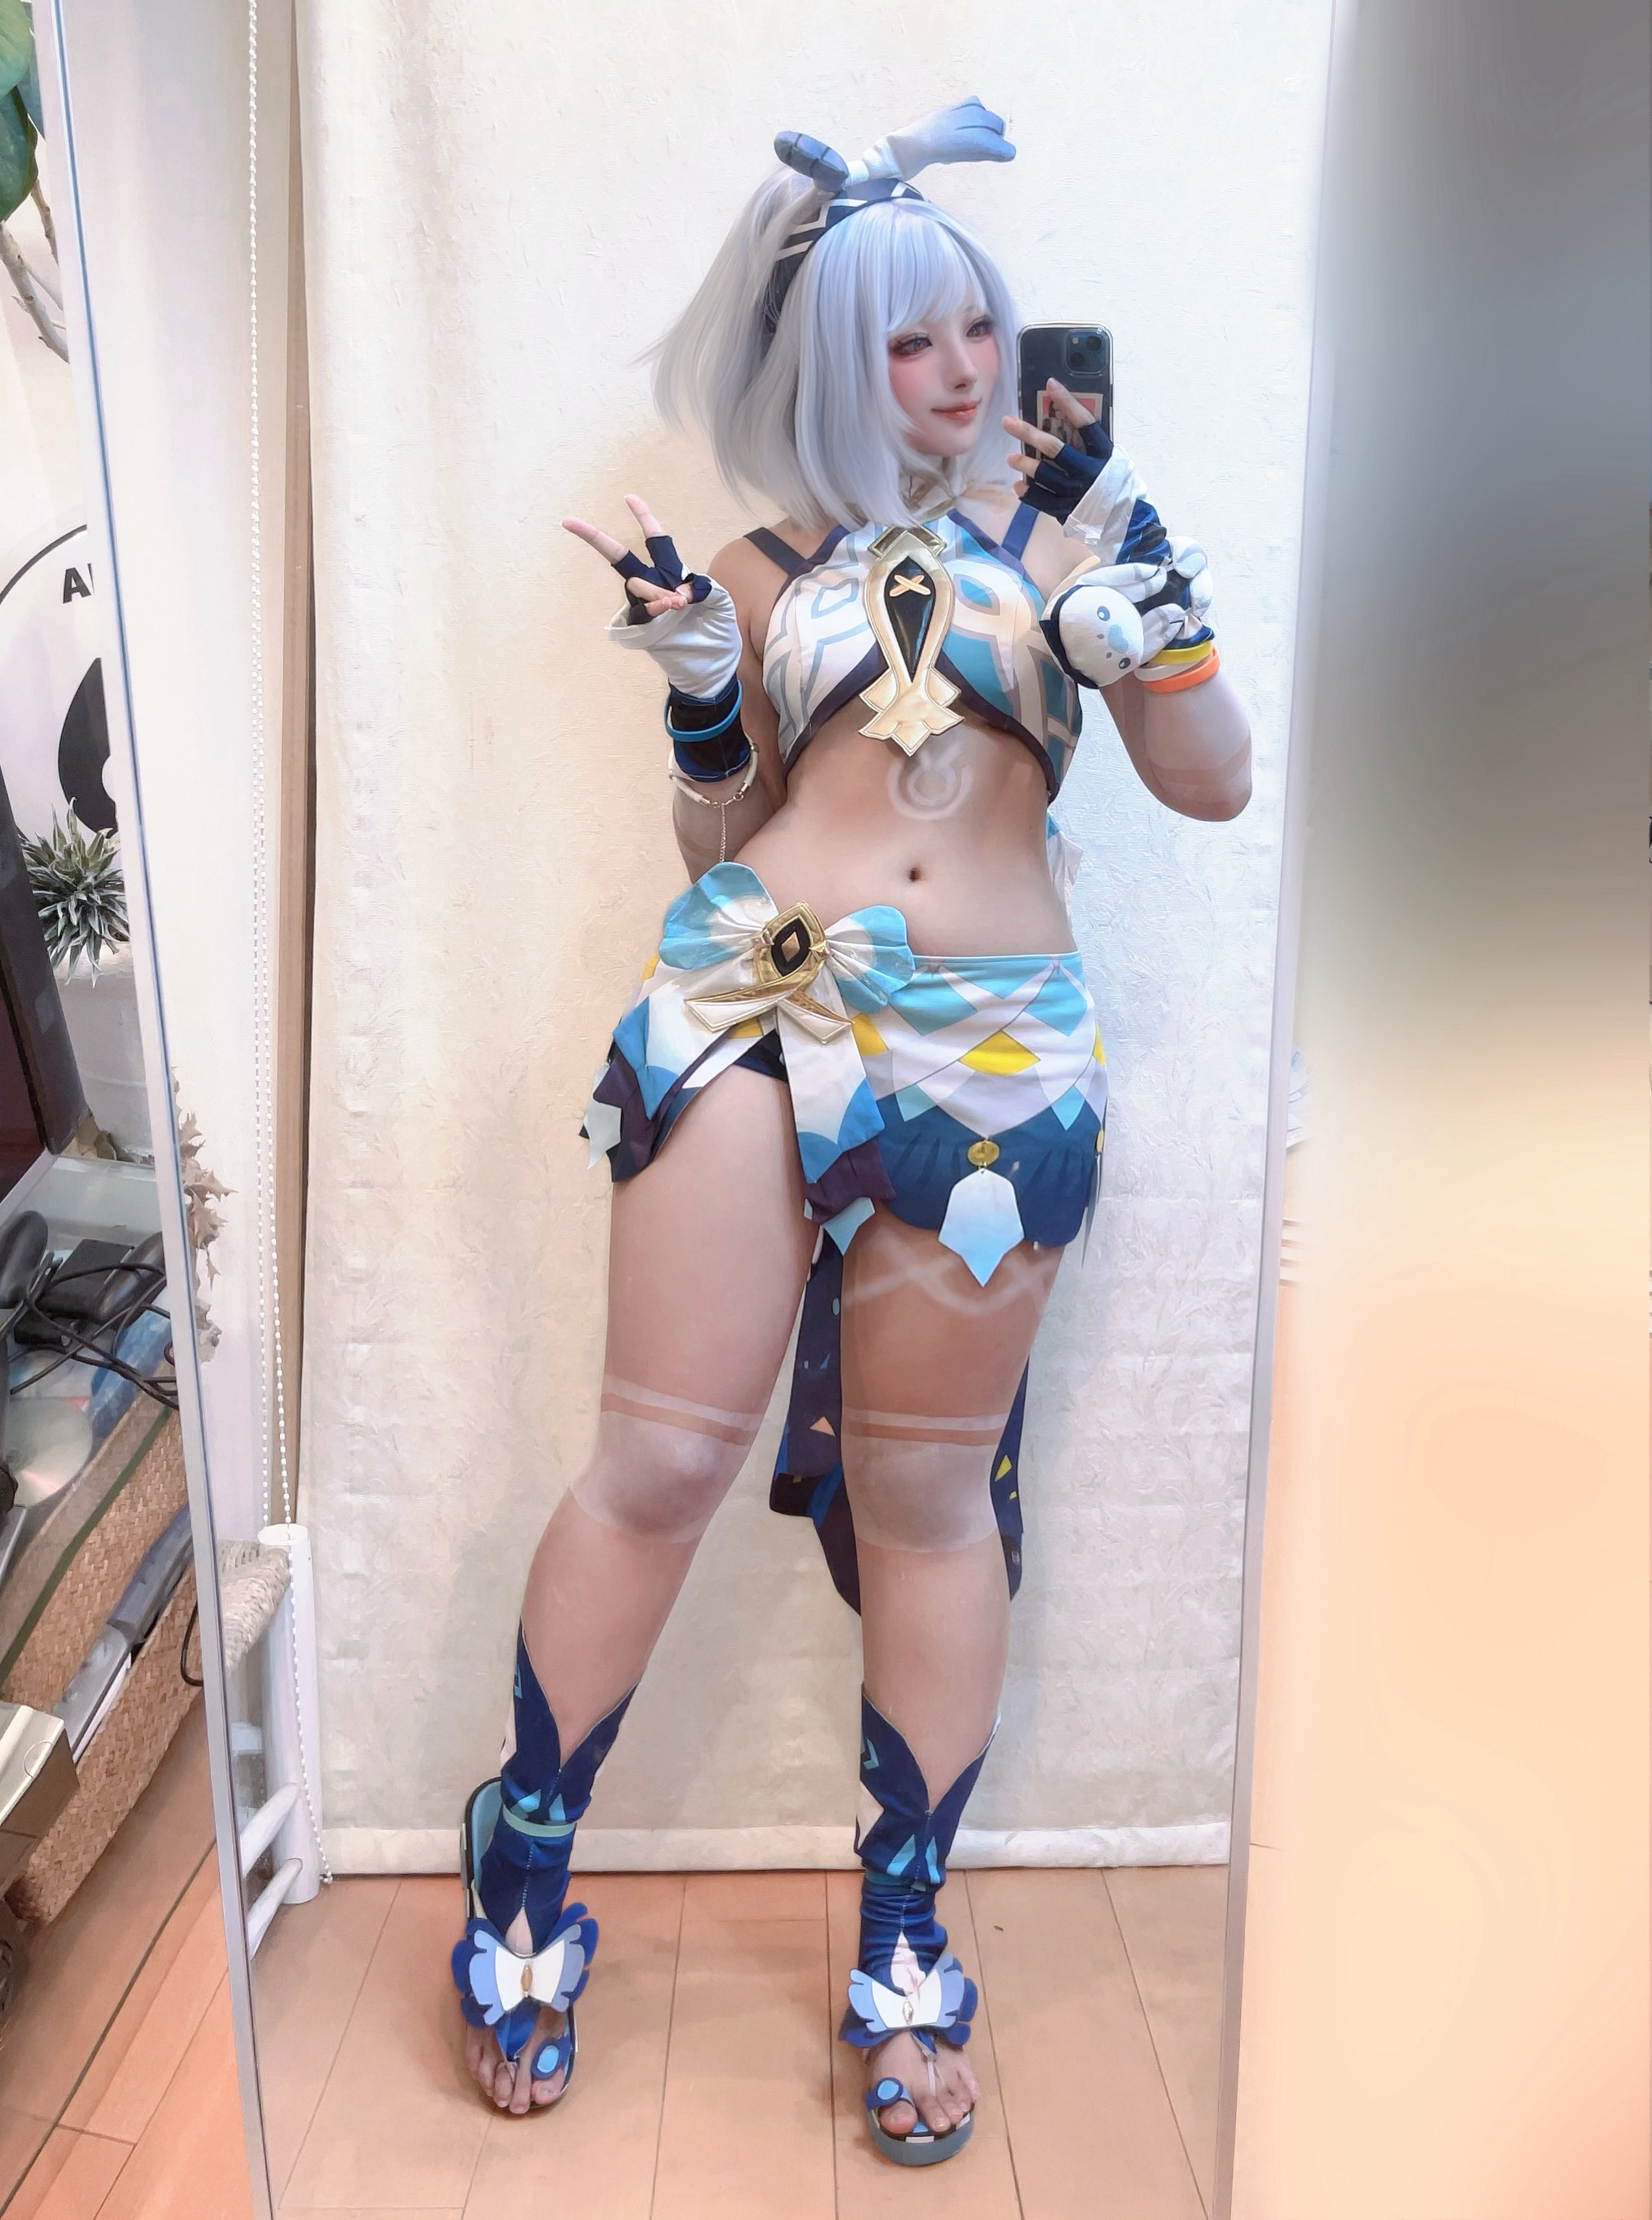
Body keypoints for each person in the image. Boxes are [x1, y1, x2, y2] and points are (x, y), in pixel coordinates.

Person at [449, 99, 1249, 2167]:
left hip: (991, 1056)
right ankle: (522, 1857)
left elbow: (1216, 780)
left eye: (976, 325)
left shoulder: (1074, 541)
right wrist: (697, 682)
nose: (963, 368)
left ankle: (905, 1939)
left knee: (926, 1499)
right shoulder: (762, 565)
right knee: (657, 1459)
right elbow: (720, 826)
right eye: (909, 340)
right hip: (755, 998)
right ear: (830, 358)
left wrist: (1149, 617)